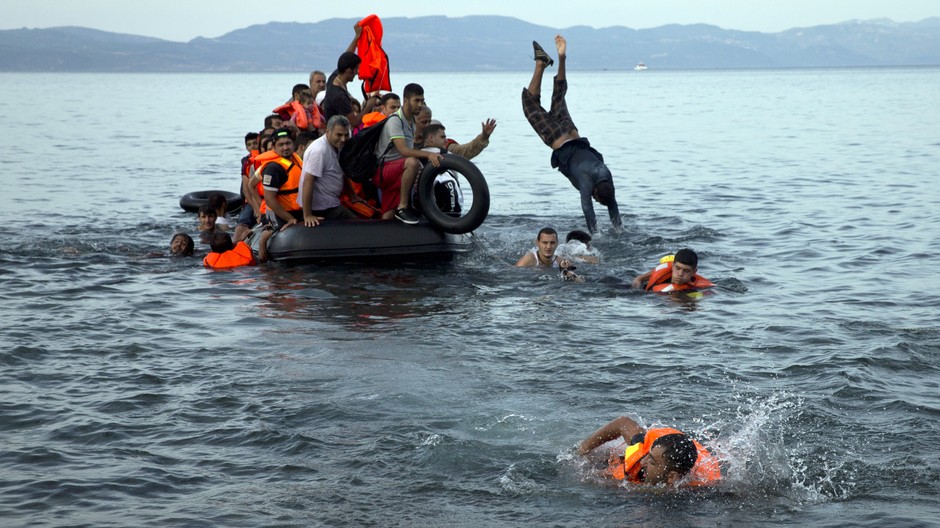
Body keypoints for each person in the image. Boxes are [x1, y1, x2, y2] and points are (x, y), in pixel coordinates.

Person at [522, 35, 622, 235]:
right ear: (595, 191)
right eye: (595, 197)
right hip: (559, 139)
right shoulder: (588, 183)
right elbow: (588, 209)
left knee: (559, 94)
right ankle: (541, 63)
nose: (593, 199)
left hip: (574, 134)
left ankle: (561, 59)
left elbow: (613, 206)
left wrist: (618, 228)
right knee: (528, 103)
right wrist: (595, 236)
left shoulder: (606, 176)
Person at [577, 415, 721, 487]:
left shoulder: (705, 483)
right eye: (649, 457)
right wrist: (582, 450)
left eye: (652, 461)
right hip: (664, 441)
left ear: (671, 477)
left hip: (683, 454)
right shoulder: (644, 450)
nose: (644, 462)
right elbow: (623, 422)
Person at [373, 83, 443, 223]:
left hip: (396, 169)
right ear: (405, 101)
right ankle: (404, 207)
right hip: (383, 170)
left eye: (422, 101)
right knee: (412, 162)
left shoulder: (411, 121)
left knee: (388, 214)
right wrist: (428, 155)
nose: (420, 105)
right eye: (416, 100)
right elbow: (404, 151)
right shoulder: (395, 120)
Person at [300, 115, 359, 227]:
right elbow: (308, 182)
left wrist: (353, 196)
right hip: (323, 207)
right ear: (328, 132)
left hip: (333, 200)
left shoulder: (339, 145)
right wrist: (307, 215)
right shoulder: (319, 151)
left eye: (346, 135)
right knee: (357, 226)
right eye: (339, 135)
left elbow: (341, 172)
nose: (343, 139)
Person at [322, 24, 365, 126]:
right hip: (335, 135)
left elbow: (347, 56)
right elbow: (354, 122)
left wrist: (357, 37)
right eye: (356, 70)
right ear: (349, 71)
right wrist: (369, 105)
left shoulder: (335, 77)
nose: (357, 73)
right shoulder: (339, 97)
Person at [631, 248, 715, 292]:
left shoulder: (698, 288)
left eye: (686, 271)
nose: (680, 274)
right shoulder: (665, 271)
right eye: (677, 268)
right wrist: (637, 284)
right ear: (672, 266)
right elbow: (639, 279)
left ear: (694, 272)